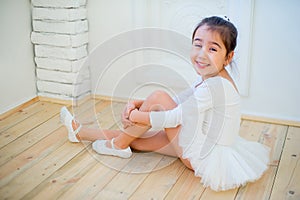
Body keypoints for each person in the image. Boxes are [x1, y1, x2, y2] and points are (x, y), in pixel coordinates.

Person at [60, 16, 270, 191]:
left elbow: (175, 116)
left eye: (213, 49)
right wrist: (139, 103)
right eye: (197, 44)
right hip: (198, 139)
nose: (201, 53)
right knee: (139, 138)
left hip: (202, 154)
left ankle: (118, 145)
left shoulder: (217, 86)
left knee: (158, 97)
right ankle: (80, 132)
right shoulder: (209, 78)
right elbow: (181, 102)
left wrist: (136, 116)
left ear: (228, 57)